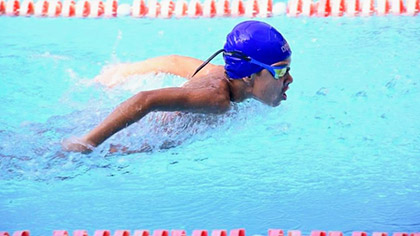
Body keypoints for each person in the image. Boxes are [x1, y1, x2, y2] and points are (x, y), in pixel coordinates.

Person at [62, 20, 294, 153]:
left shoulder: (218, 72)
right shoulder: (217, 100)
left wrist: (123, 71)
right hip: (136, 137)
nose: (289, 80)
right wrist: (88, 143)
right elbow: (146, 100)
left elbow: (173, 61)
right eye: (281, 71)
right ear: (249, 76)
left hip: (117, 119)